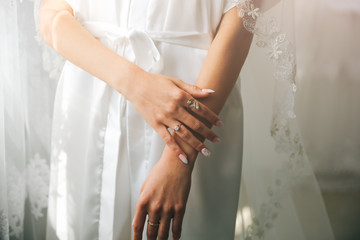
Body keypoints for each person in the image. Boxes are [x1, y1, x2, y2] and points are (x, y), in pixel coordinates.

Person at [40, 0, 253, 239]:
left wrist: (180, 158)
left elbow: (240, 23)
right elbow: (51, 13)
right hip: (90, 90)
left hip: (191, 101)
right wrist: (136, 85)